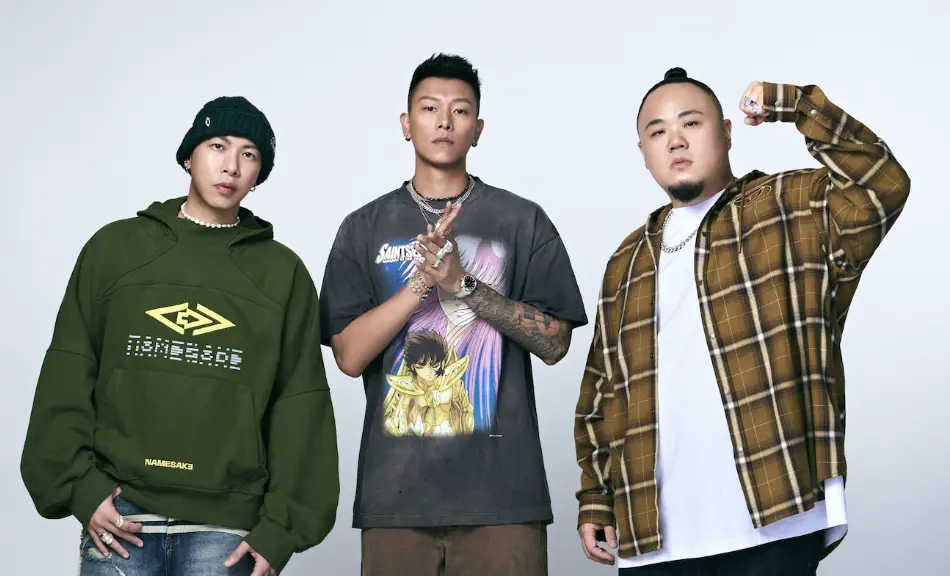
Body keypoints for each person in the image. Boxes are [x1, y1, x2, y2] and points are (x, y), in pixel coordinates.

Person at [574, 67, 910, 575]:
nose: (676, 140)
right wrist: (597, 498)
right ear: (643, 152)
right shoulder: (627, 259)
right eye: (658, 132)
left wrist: (794, 104)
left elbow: (883, 184)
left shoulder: (791, 206)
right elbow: (602, 388)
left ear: (727, 132)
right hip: (654, 537)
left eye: (692, 123)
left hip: (776, 514)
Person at [20, 96, 340, 576]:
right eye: (217, 146)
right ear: (189, 155)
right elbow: (68, 370)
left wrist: (282, 529)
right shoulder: (115, 250)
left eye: (249, 154)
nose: (231, 166)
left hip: (227, 528)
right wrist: (79, 488)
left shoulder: (282, 274)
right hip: (120, 514)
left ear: (259, 174)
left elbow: (300, 405)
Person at [319, 53, 588, 575]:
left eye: (460, 110)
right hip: (396, 502)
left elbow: (556, 344)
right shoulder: (363, 227)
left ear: (477, 129)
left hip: (503, 499)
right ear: (406, 124)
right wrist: (421, 283)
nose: (444, 121)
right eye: (429, 108)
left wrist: (463, 285)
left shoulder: (521, 220)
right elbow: (349, 358)